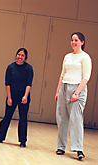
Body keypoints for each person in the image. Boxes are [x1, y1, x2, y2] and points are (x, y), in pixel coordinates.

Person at [55, 32, 92, 160]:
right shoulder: (67, 56)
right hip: (64, 87)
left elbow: (86, 77)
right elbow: (62, 74)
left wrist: (76, 93)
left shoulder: (85, 57)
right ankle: (61, 146)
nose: (73, 42)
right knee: (61, 117)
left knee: (76, 120)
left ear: (82, 42)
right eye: (72, 40)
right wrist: (58, 90)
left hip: (77, 88)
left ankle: (79, 149)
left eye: (76, 40)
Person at [0, 48, 34, 147]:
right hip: (12, 95)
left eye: (22, 55)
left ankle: (23, 141)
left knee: (23, 118)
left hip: (24, 95)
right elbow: (7, 83)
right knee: (7, 116)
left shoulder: (29, 68)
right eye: (18, 55)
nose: (20, 57)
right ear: (16, 55)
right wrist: (9, 98)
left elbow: (29, 83)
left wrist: (25, 96)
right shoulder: (10, 67)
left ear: (25, 57)